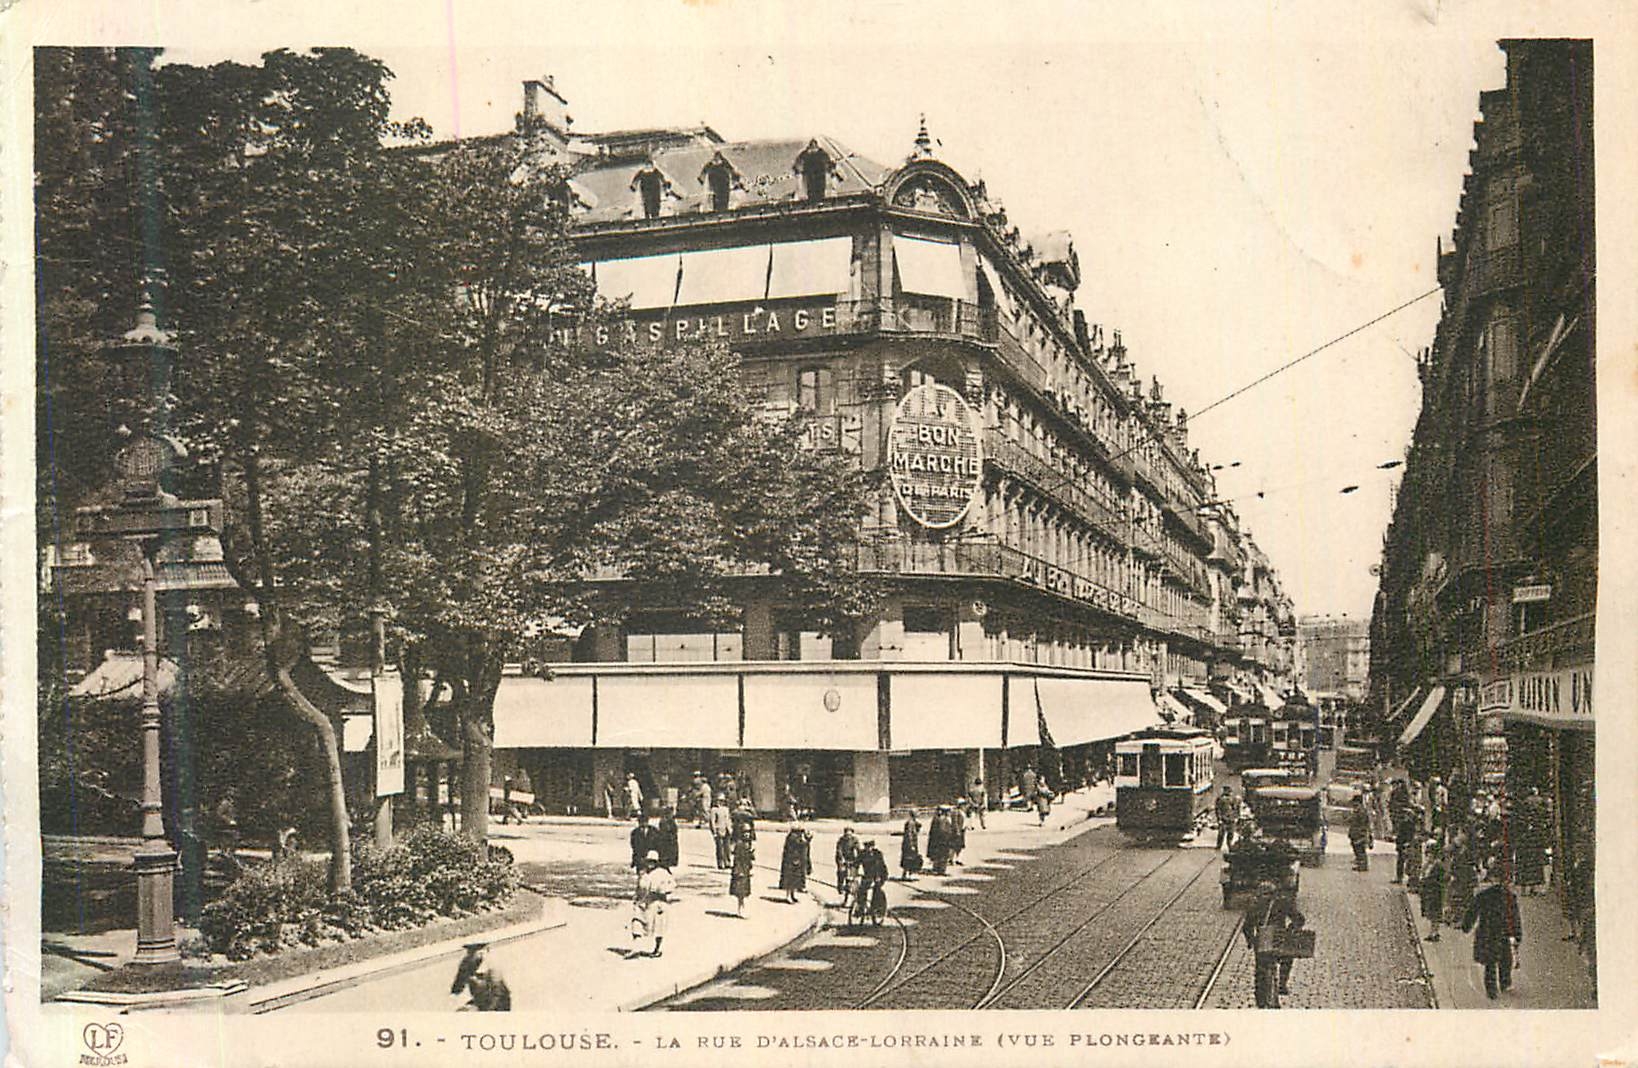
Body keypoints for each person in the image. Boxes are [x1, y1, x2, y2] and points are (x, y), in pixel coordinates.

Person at [1242, 877, 1306, 1009]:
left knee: (1260, 970)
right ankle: (1282, 983)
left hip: (1263, 939)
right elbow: (1299, 919)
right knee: (1287, 958)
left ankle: (1260, 998)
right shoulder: (1282, 902)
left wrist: (1251, 941)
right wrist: (1291, 929)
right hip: (1279, 938)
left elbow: (1247, 927)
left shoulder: (1255, 905)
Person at [1461, 869, 1523, 999]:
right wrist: (1517, 935)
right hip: (1503, 932)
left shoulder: (1483, 895)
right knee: (1505, 958)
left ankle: (1492, 990)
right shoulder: (1510, 896)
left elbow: (1472, 912)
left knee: (1490, 962)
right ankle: (1505, 983)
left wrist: (1466, 926)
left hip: (1487, 931)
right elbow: (1515, 917)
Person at [631, 850, 677, 958]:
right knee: (637, 922)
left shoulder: (663, 873)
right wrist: (636, 897)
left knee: (658, 927)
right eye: (648, 861)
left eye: (653, 862)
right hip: (644, 902)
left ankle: (657, 949)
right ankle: (635, 948)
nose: (650, 864)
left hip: (658, 903)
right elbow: (639, 887)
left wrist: (663, 890)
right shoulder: (643, 873)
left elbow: (673, 885)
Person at [451, 942, 511, 1011]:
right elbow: (458, 984)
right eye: (470, 951)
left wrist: (487, 1011)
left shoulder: (492, 967)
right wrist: (455, 998)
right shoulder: (466, 963)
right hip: (479, 1000)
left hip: (498, 1004)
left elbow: (498, 994)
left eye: (476, 951)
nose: (472, 954)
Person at [1513, 788, 1549, 895]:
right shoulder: (1539, 812)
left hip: (1525, 841)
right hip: (1533, 841)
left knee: (1525, 864)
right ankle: (1532, 888)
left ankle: (1525, 889)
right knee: (1534, 864)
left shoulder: (1522, 811)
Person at [1420, 838, 1447, 942]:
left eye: (1429, 855)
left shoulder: (1438, 865)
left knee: (1435, 914)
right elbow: (1422, 872)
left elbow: (1437, 879)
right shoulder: (1431, 865)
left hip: (1435, 892)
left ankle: (1435, 933)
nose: (1428, 857)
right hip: (1430, 892)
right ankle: (1432, 932)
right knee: (1431, 914)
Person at [779, 822, 812, 903]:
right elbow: (800, 845)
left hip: (795, 861)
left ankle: (792, 895)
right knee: (790, 879)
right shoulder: (793, 837)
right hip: (791, 861)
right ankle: (788, 896)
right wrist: (808, 839)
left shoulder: (794, 836)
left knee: (795, 879)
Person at [857, 839, 889, 917]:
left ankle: (875, 908)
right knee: (861, 890)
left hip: (880, 874)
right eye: (866, 846)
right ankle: (861, 908)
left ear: (872, 846)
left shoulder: (877, 854)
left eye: (869, 846)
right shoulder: (862, 854)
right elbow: (856, 863)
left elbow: (879, 866)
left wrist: (878, 877)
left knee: (876, 890)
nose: (867, 848)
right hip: (868, 875)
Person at [729, 827, 755, 917]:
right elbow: (737, 860)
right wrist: (738, 871)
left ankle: (742, 909)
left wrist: (751, 854)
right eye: (745, 832)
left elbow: (749, 859)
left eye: (748, 832)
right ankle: (740, 910)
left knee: (744, 892)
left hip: (745, 870)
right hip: (740, 871)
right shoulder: (740, 845)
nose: (747, 834)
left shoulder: (747, 844)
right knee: (741, 892)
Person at [835, 826, 861, 905]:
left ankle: (849, 897)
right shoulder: (841, 840)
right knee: (841, 872)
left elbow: (858, 849)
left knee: (851, 879)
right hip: (842, 860)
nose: (848, 836)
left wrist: (858, 858)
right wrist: (842, 859)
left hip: (852, 860)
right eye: (846, 834)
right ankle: (840, 885)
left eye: (850, 835)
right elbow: (839, 850)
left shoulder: (855, 840)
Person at [629, 813, 660, 879]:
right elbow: (634, 845)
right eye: (640, 822)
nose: (642, 824)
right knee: (641, 875)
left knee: (651, 874)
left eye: (644, 822)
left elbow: (658, 844)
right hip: (640, 857)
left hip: (651, 857)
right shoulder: (635, 832)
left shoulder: (654, 831)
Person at [1348, 795, 1373, 872]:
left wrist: (1363, 834)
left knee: (1360, 850)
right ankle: (1360, 864)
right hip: (1355, 833)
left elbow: (1363, 824)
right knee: (1357, 849)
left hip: (1359, 834)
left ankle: (1363, 865)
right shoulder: (1357, 811)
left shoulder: (1362, 812)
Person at [927, 805, 954, 875]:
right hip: (943, 841)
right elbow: (943, 831)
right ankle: (941, 870)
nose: (950, 813)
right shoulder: (943, 820)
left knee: (939, 855)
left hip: (938, 840)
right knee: (943, 855)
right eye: (948, 811)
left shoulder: (937, 818)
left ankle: (937, 868)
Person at [708, 795, 734, 870]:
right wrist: (714, 831)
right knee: (720, 848)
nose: (720, 802)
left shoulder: (726, 809)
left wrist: (730, 828)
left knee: (727, 847)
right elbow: (712, 821)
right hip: (718, 830)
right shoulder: (714, 810)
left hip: (726, 830)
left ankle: (728, 862)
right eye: (719, 801)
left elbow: (728, 819)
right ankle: (720, 863)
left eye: (722, 801)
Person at [900, 809, 923, 880]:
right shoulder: (910, 823)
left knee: (908, 859)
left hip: (910, 843)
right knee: (910, 859)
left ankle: (905, 874)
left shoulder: (913, 822)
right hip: (909, 844)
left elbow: (917, 829)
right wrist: (911, 845)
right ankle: (909, 874)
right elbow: (909, 834)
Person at [656, 807, 680, 871]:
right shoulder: (663, 821)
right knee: (666, 849)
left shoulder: (671, 821)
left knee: (671, 850)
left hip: (671, 839)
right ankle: (666, 860)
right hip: (666, 838)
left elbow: (675, 830)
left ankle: (672, 860)